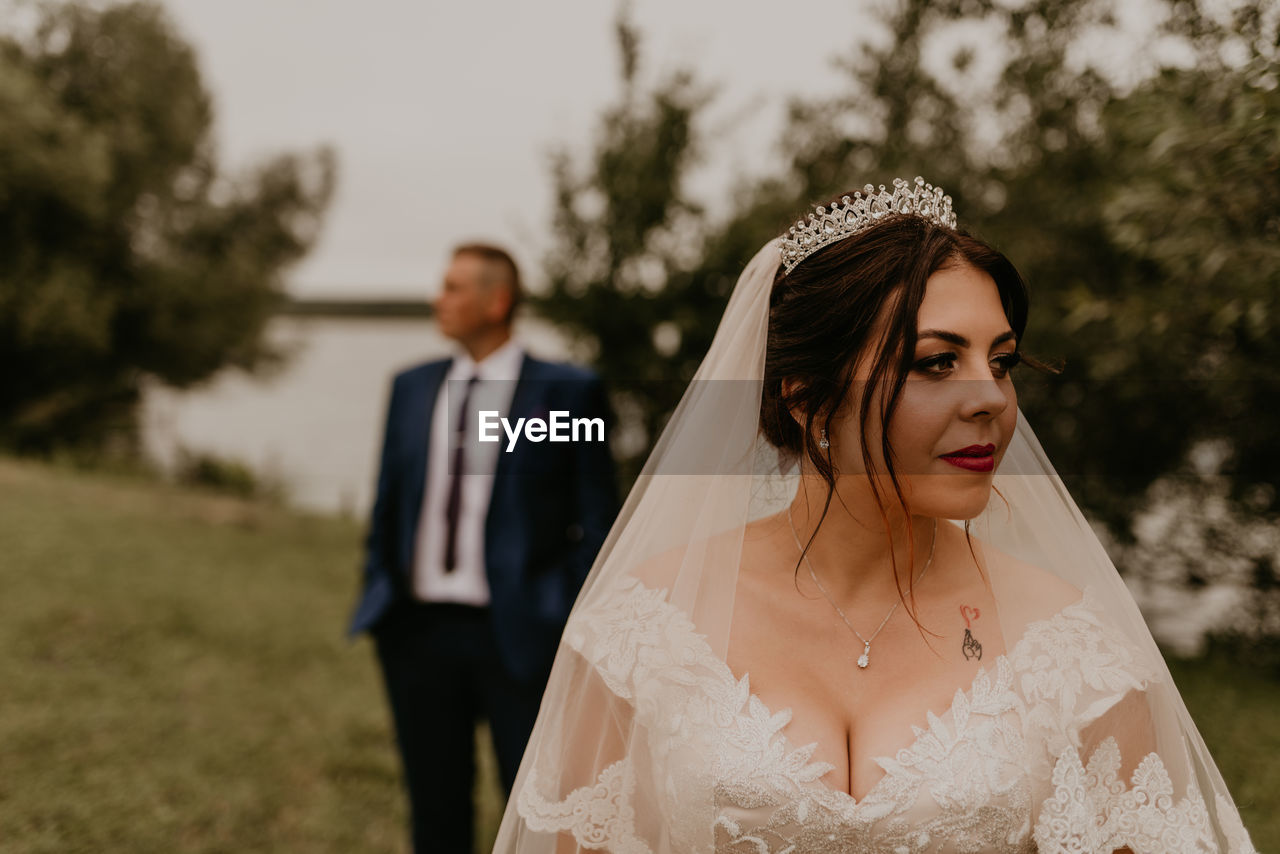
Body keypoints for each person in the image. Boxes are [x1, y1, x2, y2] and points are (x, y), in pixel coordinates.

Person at [494, 179, 1257, 853]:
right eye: (936, 361)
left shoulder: (1075, 648)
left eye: (1001, 361)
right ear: (805, 396)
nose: (990, 397)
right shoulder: (646, 628)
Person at [348, 242, 618, 854]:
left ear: (497, 301)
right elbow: (389, 502)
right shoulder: (412, 388)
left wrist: (562, 611)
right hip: (415, 635)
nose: (437, 300)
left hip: (519, 635)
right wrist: (380, 588)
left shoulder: (568, 394)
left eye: (453, 288)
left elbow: (597, 522)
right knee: (434, 810)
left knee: (533, 815)